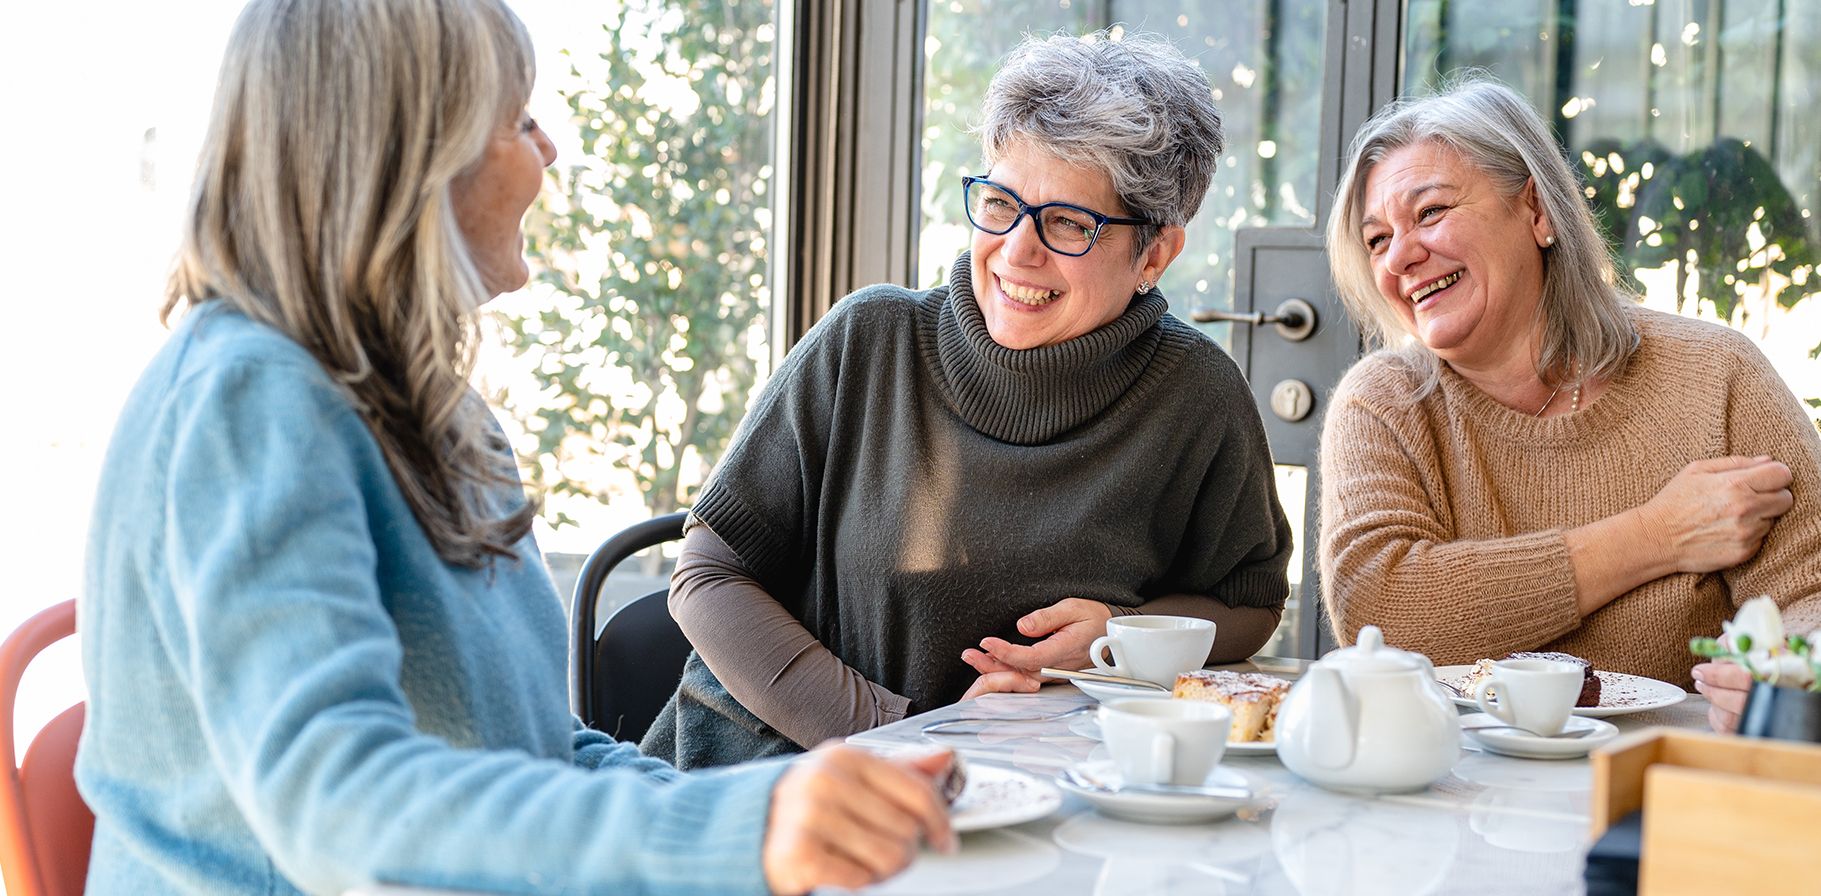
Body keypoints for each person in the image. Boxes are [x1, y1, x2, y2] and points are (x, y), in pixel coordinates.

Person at [75, 1, 953, 893]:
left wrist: (776, 810)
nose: (548, 153)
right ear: (414, 156)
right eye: (519, 120)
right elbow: (335, 805)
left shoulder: (443, 416)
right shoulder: (248, 402)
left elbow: (539, 745)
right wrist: (731, 828)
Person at [644, 31, 1294, 769]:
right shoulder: (870, 339)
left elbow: (1245, 603)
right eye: (999, 203)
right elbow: (707, 573)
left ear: (1153, 254)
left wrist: (1123, 633)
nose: (1017, 250)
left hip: (1039, 799)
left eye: (1068, 224)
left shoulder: (1195, 394)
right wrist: (905, 732)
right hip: (776, 782)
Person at [1317, 78, 1821, 734]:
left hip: (1660, 784)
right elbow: (1380, 608)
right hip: (1446, 786)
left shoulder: (1718, 374)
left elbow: (1809, 592)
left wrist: (1785, 666)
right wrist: (1657, 535)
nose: (1401, 257)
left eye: (1430, 212)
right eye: (1377, 240)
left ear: (1536, 211)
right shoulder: (1382, 402)